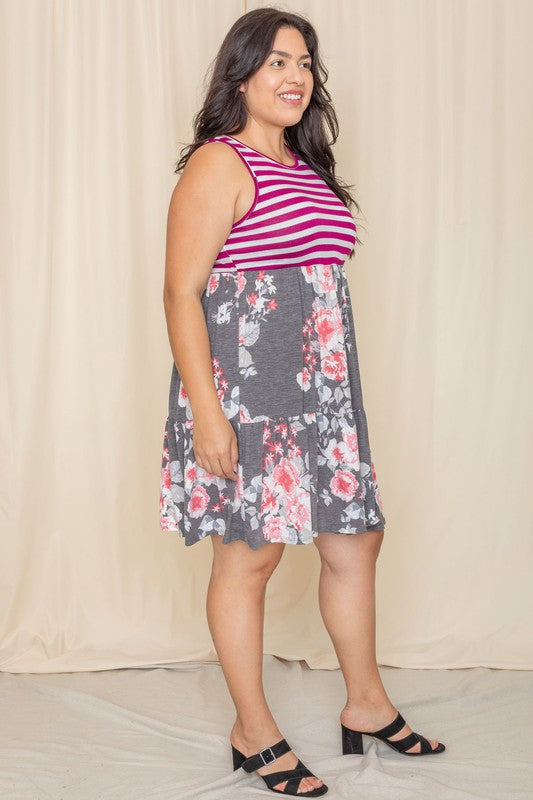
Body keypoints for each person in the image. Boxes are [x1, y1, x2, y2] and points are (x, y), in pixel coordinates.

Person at [159, 7, 445, 797]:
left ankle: (365, 704)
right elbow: (181, 292)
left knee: (355, 540)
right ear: (241, 75)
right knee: (250, 555)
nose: (295, 76)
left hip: (324, 394)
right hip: (251, 395)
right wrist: (209, 414)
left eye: (304, 63)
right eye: (276, 61)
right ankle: (252, 731)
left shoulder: (304, 166)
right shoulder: (219, 163)